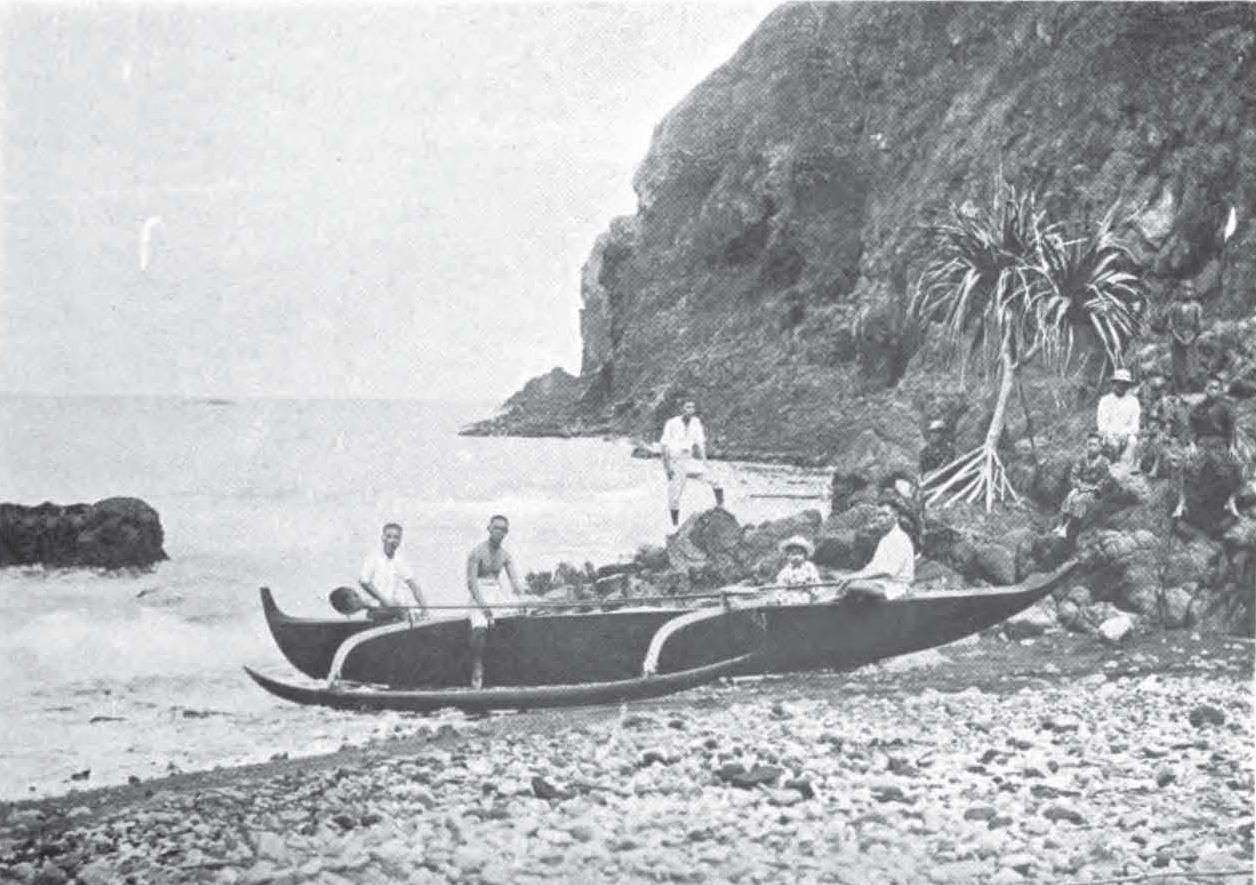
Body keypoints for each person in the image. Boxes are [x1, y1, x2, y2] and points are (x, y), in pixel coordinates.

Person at [465, 514, 525, 689]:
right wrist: (484, 607)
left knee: (516, 618)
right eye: (496, 528)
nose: (499, 532)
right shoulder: (477, 552)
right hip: (480, 594)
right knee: (479, 628)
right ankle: (477, 667)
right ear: (489, 529)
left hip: (497, 591)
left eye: (503, 529)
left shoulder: (505, 555)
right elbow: (471, 583)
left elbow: (514, 583)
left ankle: (511, 670)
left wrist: (522, 599)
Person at [1174, 375, 1242, 521]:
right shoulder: (1198, 408)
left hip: (1220, 443)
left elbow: (1231, 429)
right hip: (1202, 443)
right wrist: (1192, 444)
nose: (1213, 391)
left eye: (1216, 388)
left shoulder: (1226, 408)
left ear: (1220, 390)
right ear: (1205, 389)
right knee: (1183, 465)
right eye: (1210, 387)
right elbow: (1192, 428)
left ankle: (1231, 500)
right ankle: (1182, 502)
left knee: (1238, 465)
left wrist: (1232, 447)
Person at [831, 502, 915, 600]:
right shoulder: (886, 538)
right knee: (848, 586)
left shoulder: (899, 538)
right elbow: (872, 568)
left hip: (896, 587)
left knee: (853, 587)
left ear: (896, 517)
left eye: (885, 515)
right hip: (882, 584)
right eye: (878, 515)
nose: (880, 519)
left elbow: (888, 572)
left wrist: (853, 578)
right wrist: (850, 576)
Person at [660, 399, 724, 528]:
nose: (690, 410)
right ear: (681, 409)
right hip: (675, 461)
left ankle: (721, 507)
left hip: (689, 460)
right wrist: (667, 468)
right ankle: (675, 526)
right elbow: (664, 446)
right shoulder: (671, 423)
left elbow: (700, 444)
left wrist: (705, 463)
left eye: (692, 407)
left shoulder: (696, 422)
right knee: (675, 498)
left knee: (716, 480)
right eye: (687, 407)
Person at [358, 522, 429, 615]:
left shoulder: (399, 560)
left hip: (395, 611)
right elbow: (364, 582)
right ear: (383, 538)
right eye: (389, 536)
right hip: (377, 612)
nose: (392, 540)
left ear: (400, 540)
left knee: (409, 612)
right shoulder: (373, 557)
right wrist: (385, 601)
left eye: (396, 537)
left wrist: (424, 608)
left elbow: (413, 584)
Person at [1054, 433, 1111, 540]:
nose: (1091, 448)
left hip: (1093, 491)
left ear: (1100, 447)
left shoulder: (1105, 462)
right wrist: (1078, 484)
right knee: (1070, 496)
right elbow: (1074, 474)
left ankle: (1067, 528)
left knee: (1080, 501)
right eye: (1089, 445)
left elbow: (1105, 479)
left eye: (1094, 445)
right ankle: (1060, 524)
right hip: (1081, 486)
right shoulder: (1082, 459)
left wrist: (1093, 488)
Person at [1096, 368, 1141, 470]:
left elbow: (1135, 425)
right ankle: (1110, 467)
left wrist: (1126, 432)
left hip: (1125, 436)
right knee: (1111, 445)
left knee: (1133, 441)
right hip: (1109, 436)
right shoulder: (1105, 401)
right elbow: (1101, 424)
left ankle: (1125, 468)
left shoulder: (1133, 401)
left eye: (1125, 384)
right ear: (1114, 384)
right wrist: (1110, 435)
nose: (1122, 387)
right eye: (1119, 383)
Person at [1167, 280, 1203, 395]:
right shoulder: (1174, 307)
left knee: (1191, 364)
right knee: (1178, 364)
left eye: (1190, 290)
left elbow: (1198, 326)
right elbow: (1170, 326)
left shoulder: (1196, 307)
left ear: (1193, 292)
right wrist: (1178, 338)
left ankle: (1191, 388)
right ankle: (1179, 389)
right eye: (1184, 289)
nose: (1187, 292)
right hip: (1177, 340)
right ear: (1179, 291)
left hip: (1191, 340)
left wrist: (1190, 339)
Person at [774, 536, 822, 604]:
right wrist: (782, 595)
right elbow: (780, 585)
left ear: (804, 555)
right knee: (787, 599)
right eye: (793, 554)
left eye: (799, 554)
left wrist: (810, 587)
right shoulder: (785, 571)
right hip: (790, 596)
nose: (796, 557)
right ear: (788, 556)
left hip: (806, 594)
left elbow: (816, 581)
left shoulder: (809, 567)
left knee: (808, 599)